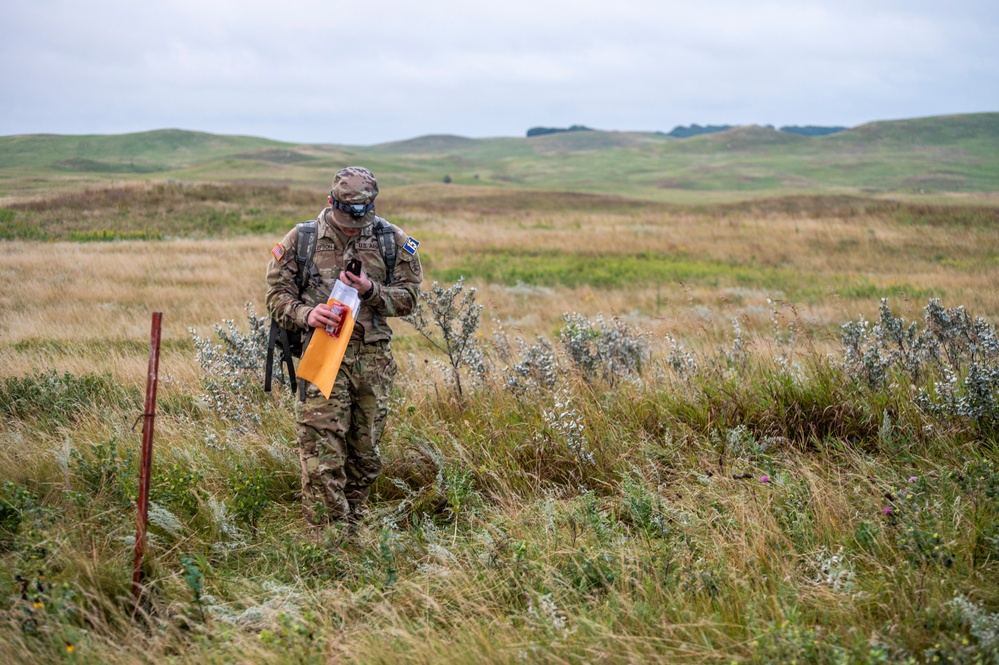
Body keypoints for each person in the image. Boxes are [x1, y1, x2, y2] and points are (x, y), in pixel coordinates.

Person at [265, 166, 422, 527]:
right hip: (322, 359)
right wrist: (307, 314)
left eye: (360, 220)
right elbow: (275, 295)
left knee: (364, 456)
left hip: (372, 364)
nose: (353, 228)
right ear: (330, 201)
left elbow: (410, 299)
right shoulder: (302, 240)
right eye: (345, 218)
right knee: (322, 456)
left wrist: (372, 291)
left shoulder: (391, 241)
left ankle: (353, 528)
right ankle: (327, 540)